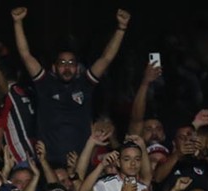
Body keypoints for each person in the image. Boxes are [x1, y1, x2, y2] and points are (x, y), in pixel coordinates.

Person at [10, 6, 129, 167]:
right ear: (54, 68)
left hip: (81, 162)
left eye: (71, 63)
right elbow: (25, 55)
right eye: (62, 63)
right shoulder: (44, 83)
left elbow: (106, 58)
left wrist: (121, 28)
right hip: (49, 164)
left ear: (77, 67)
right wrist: (18, 23)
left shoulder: (85, 84)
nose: (67, 67)